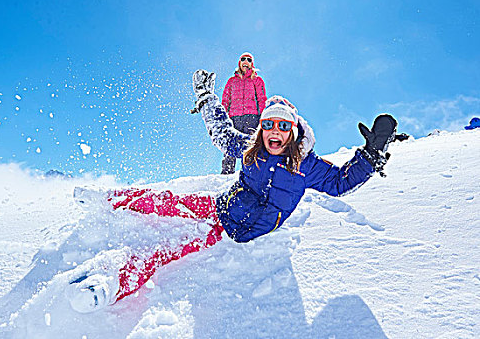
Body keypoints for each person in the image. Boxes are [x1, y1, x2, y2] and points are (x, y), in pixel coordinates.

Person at [66, 69, 398, 313]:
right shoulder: (253, 150)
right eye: (269, 124)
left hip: (231, 231)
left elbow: (340, 182)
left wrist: (369, 156)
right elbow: (223, 134)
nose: (275, 131)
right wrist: (206, 97)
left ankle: (109, 286)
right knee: (165, 203)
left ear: (294, 131)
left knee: (167, 249)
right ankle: (109, 199)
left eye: (283, 126)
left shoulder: (305, 166)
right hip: (220, 205)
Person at [220, 52, 267, 174]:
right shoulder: (231, 81)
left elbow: (261, 99)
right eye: (243, 59)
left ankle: (250, 173)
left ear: (252, 64)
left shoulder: (256, 80)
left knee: (250, 145)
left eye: (249, 60)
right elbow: (225, 99)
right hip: (233, 117)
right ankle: (226, 172)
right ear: (239, 63)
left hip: (252, 117)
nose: (246, 61)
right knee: (230, 144)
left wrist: (262, 117)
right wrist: (223, 116)